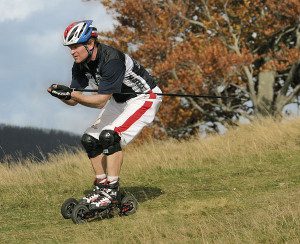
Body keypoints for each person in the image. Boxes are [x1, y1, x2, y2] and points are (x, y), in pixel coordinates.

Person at [47, 20, 162, 209]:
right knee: (89, 139)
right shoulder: (80, 65)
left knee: (110, 136)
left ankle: (112, 192)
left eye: (75, 46)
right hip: (119, 100)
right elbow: (74, 101)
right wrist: (61, 95)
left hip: (144, 98)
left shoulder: (111, 60)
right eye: (70, 47)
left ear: (90, 44)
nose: (72, 51)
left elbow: (100, 101)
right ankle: (102, 185)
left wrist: (73, 94)